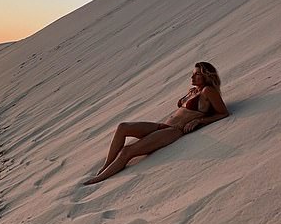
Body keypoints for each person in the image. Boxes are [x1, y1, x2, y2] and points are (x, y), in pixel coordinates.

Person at [83, 61, 229, 185]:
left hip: (173, 131)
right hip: (162, 125)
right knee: (123, 127)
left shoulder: (208, 91)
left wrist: (199, 120)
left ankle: (99, 179)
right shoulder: (193, 91)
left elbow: (223, 113)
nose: (192, 76)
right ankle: (107, 165)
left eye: (197, 74)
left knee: (128, 151)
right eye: (193, 73)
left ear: (206, 75)